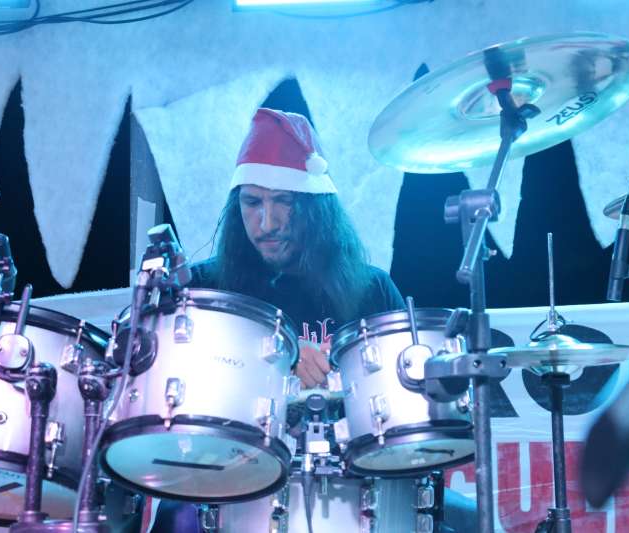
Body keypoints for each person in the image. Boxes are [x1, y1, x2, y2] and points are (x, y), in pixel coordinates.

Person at [149, 108, 475, 532]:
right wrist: (280, 354)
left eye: (284, 202)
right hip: (231, 483)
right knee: (173, 514)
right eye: (252, 202)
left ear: (315, 207)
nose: (267, 222)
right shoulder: (207, 287)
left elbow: (406, 419)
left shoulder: (370, 288)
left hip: (353, 490)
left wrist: (338, 374)